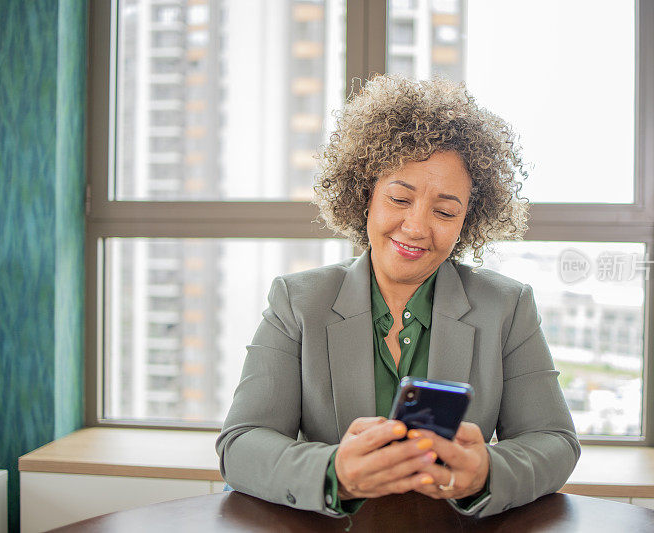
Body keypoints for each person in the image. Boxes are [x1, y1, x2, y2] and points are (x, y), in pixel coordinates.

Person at [216, 75, 580, 518]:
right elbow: (241, 443)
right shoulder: (297, 301)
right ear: (365, 195)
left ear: (468, 221)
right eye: (399, 199)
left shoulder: (506, 307)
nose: (416, 228)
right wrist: (333, 470)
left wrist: (487, 470)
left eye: (445, 211)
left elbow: (555, 442)